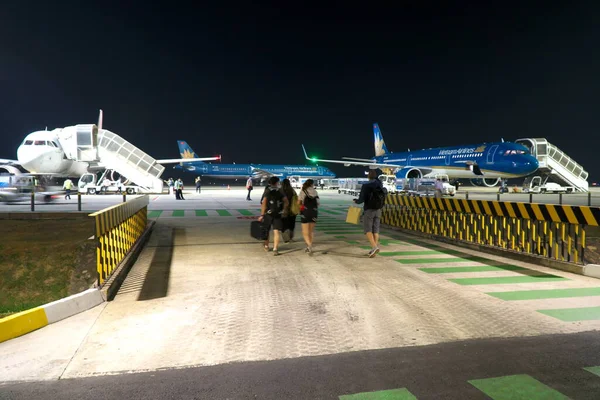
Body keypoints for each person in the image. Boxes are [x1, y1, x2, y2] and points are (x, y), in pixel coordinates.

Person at [353, 170, 387, 258]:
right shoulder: (380, 184)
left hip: (369, 210)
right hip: (378, 209)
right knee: (375, 230)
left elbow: (361, 199)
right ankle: (373, 249)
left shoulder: (366, 185)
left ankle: (374, 247)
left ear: (368, 176)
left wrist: (356, 201)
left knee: (367, 230)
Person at [258, 177, 289, 256]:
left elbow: (264, 203)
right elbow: (286, 202)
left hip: (268, 214)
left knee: (266, 231)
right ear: (277, 182)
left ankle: (266, 246)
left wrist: (262, 214)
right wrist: (284, 210)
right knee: (276, 232)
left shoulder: (267, 190)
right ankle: (275, 249)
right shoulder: (280, 191)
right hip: (277, 214)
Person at [298, 179, 319, 255]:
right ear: (312, 184)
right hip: (314, 212)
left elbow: (299, 202)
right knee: (311, 231)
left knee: (305, 231)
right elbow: (318, 203)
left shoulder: (303, 191)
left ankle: (309, 246)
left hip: (305, 212)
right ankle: (308, 246)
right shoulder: (315, 191)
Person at [281, 178, 298, 243]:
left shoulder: (280, 191)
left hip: (284, 210)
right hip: (292, 210)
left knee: (284, 225)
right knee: (292, 225)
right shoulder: (292, 190)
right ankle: (291, 238)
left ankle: (286, 238)